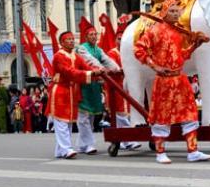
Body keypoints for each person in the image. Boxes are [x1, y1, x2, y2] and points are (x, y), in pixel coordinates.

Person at [134, 0, 210, 164]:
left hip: (181, 79)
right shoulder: (154, 31)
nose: (176, 14)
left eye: (177, 11)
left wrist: (195, 45)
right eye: (172, 11)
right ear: (164, 12)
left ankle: (193, 151)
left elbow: (182, 55)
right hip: (164, 80)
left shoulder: (178, 32)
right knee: (162, 117)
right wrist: (154, 66)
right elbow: (139, 49)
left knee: (190, 114)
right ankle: (160, 153)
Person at [46, 31, 104, 159]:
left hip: (72, 92)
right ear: (62, 42)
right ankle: (67, 149)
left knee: (69, 123)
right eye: (68, 39)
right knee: (61, 121)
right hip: (60, 91)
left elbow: (85, 67)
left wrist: (98, 72)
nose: (72, 41)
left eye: (73, 39)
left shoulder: (76, 56)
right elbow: (69, 72)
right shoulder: (58, 56)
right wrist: (90, 74)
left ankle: (60, 150)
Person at [76, 17, 120, 154]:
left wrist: (117, 69)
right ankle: (89, 144)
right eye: (91, 34)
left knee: (91, 116)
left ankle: (82, 144)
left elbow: (107, 60)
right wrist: (102, 69)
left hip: (94, 86)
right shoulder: (81, 48)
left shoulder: (98, 49)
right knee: (83, 116)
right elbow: (91, 61)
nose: (94, 36)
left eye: (95, 34)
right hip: (83, 85)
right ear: (85, 36)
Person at [106, 16, 141, 150]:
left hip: (129, 85)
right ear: (115, 40)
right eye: (119, 39)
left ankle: (125, 139)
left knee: (127, 113)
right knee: (121, 114)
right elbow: (111, 68)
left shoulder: (131, 51)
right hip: (117, 87)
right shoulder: (112, 53)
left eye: (123, 38)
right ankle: (127, 139)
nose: (121, 41)